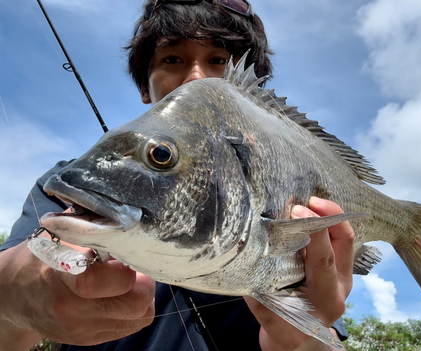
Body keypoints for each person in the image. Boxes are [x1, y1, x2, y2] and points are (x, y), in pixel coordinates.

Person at [0, 1, 355, 350]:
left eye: (219, 61)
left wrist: (305, 343)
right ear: (145, 86)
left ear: (255, 96)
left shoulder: (290, 177)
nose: (195, 78)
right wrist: (13, 297)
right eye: (172, 59)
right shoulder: (72, 183)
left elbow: (323, 332)